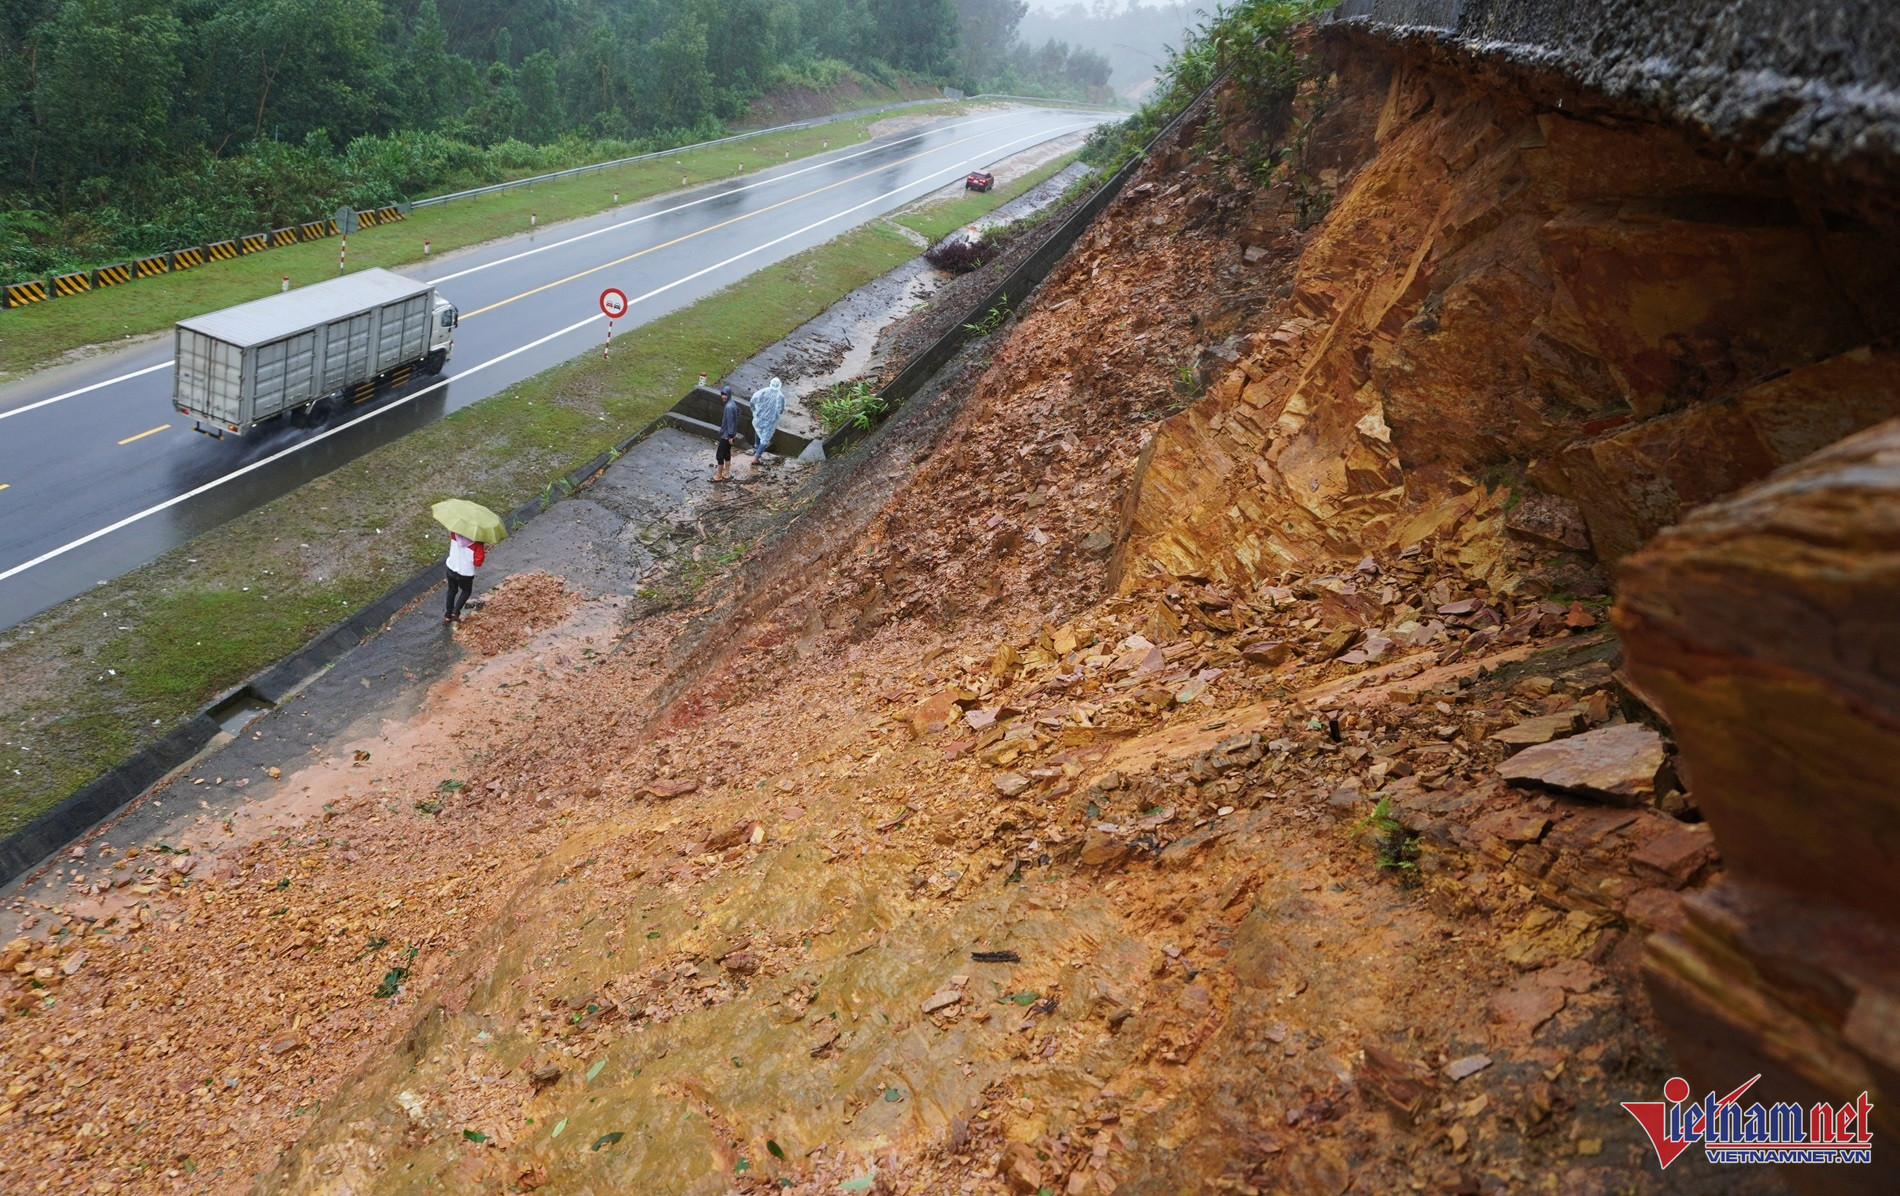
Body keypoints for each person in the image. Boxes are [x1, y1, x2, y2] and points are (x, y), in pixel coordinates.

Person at [444, 531, 482, 623]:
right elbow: (478, 562)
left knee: (451, 591)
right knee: (466, 590)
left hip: (451, 568)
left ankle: (448, 616)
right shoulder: (477, 543)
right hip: (465, 573)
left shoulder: (454, 534)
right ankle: (456, 611)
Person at [749, 377, 786, 464]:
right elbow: (781, 409)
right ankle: (755, 458)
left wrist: (755, 411)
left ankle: (755, 449)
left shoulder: (762, 392)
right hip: (771, 421)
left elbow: (752, 402)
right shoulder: (781, 396)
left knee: (758, 431)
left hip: (759, 418)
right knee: (765, 439)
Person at [713, 384, 740, 482]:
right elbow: (739, 412)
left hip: (726, 436)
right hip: (731, 434)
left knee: (719, 455)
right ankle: (726, 473)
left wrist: (729, 436)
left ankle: (718, 475)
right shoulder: (732, 403)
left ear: (728, 395)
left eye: (725, 394)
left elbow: (730, 422)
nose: (723, 396)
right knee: (727, 454)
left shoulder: (728, 407)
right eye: (722, 394)